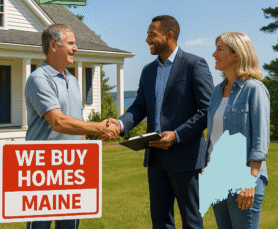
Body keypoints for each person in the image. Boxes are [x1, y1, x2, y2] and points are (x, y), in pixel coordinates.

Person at [107, 15, 214, 229]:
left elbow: (207, 109)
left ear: (170, 35)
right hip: (155, 157)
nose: (147, 39)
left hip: (185, 156)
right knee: (160, 222)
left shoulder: (194, 65)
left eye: (152, 34)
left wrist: (177, 135)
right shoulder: (148, 71)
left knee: (191, 222)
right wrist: (119, 125)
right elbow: (139, 107)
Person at [25, 24, 119, 229]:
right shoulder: (38, 79)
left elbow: (77, 121)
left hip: (72, 169)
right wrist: (100, 127)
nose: (75, 48)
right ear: (53, 46)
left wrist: (86, 157)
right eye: (70, 43)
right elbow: (57, 121)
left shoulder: (74, 81)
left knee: (70, 226)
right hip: (43, 171)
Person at [207, 32, 270, 229]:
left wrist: (250, 179)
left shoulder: (254, 89)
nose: (213, 55)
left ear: (236, 55)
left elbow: (260, 139)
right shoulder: (217, 91)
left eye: (220, 50)